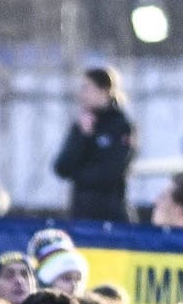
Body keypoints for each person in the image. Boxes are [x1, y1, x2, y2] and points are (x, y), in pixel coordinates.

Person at [53, 67, 136, 223]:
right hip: (81, 214)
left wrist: (77, 173)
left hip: (111, 216)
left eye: (87, 88)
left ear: (104, 91)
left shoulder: (121, 126)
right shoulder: (82, 124)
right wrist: (83, 137)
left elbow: (111, 172)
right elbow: (61, 168)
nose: (82, 94)